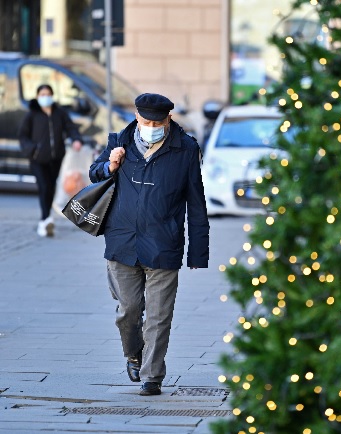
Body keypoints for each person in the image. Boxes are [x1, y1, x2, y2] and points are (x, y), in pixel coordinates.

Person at [89, 93, 209, 396]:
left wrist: (198, 251)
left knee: (159, 316)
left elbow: (196, 203)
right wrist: (110, 166)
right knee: (128, 311)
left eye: (158, 121)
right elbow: (95, 172)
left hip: (163, 243)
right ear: (136, 117)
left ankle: (152, 376)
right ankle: (134, 355)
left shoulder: (186, 149)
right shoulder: (120, 140)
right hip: (122, 241)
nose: (151, 126)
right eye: (146, 121)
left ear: (168, 119)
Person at [18, 84, 83, 237]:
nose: (45, 97)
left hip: (55, 159)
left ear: (52, 96)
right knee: (44, 187)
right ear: (37, 96)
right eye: (42, 94)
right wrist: (33, 149)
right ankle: (45, 220)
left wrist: (76, 139)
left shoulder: (60, 113)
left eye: (48, 94)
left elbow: (71, 128)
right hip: (37, 160)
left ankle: (47, 219)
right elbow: (23, 136)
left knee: (51, 187)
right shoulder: (32, 115)